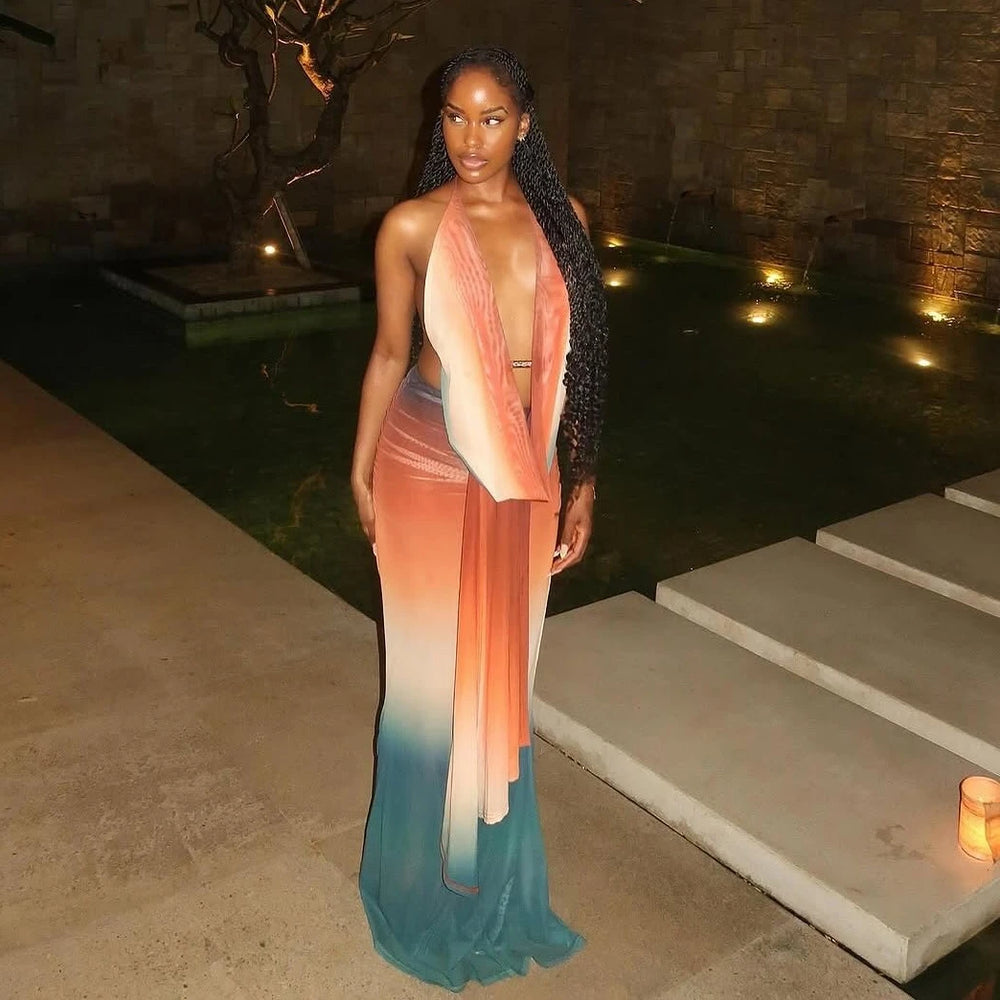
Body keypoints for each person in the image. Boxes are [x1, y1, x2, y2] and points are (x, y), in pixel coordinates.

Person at [351, 45, 608, 991]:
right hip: (426, 456)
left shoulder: (565, 223)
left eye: (491, 117)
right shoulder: (413, 226)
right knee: (426, 679)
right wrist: (360, 468)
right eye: (454, 117)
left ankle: (492, 883)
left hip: (527, 466)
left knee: (503, 670)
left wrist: (581, 478)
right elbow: (387, 352)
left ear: (525, 125)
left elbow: (578, 367)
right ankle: (417, 890)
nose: (469, 137)